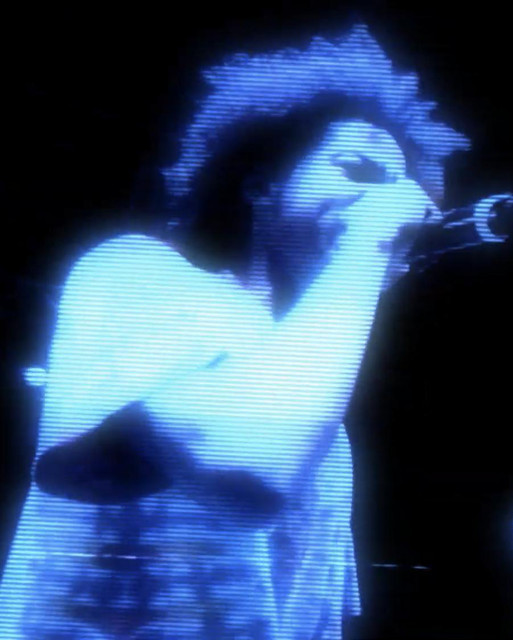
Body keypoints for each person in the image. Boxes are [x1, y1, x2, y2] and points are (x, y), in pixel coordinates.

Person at [0, 23, 469, 639]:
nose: (393, 201)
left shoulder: (319, 409)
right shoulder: (136, 270)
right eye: (358, 169)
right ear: (262, 183)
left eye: (400, 188)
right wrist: (368, 242)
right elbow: (248, 467)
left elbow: (313, 612)